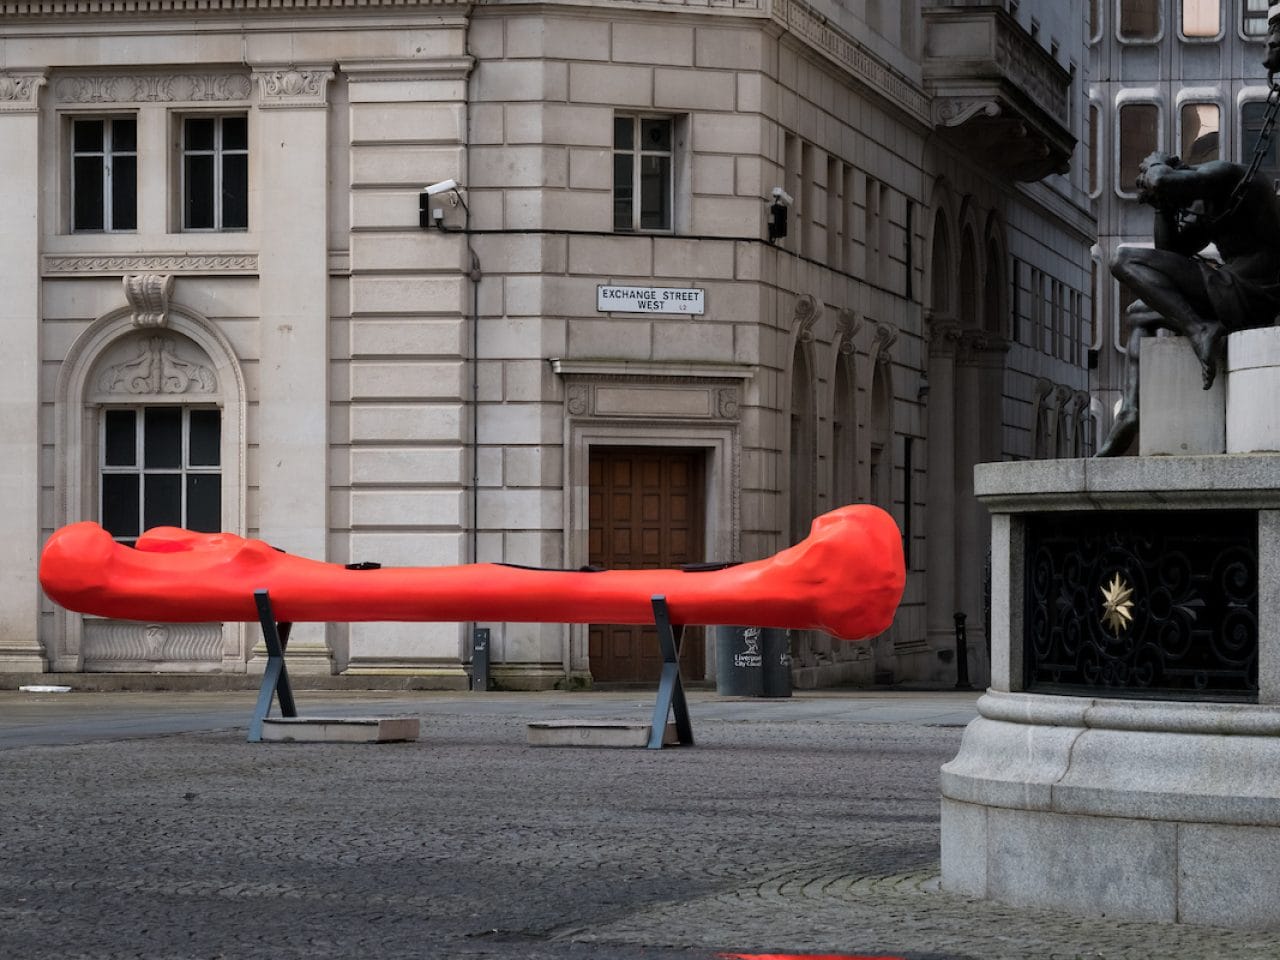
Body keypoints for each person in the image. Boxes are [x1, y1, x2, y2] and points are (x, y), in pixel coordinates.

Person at [1097, 150, 1280, 455]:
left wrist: (1154, 163)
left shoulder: (1228, 176)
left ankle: (1199, 329)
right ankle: (1130, 410)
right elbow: (1170, 255)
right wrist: (1162, 208)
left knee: (1122, 259)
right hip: (1236, 294)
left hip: (1250, 291)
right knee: (1142, 311)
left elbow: (1160, 180)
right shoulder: (1206, 204)